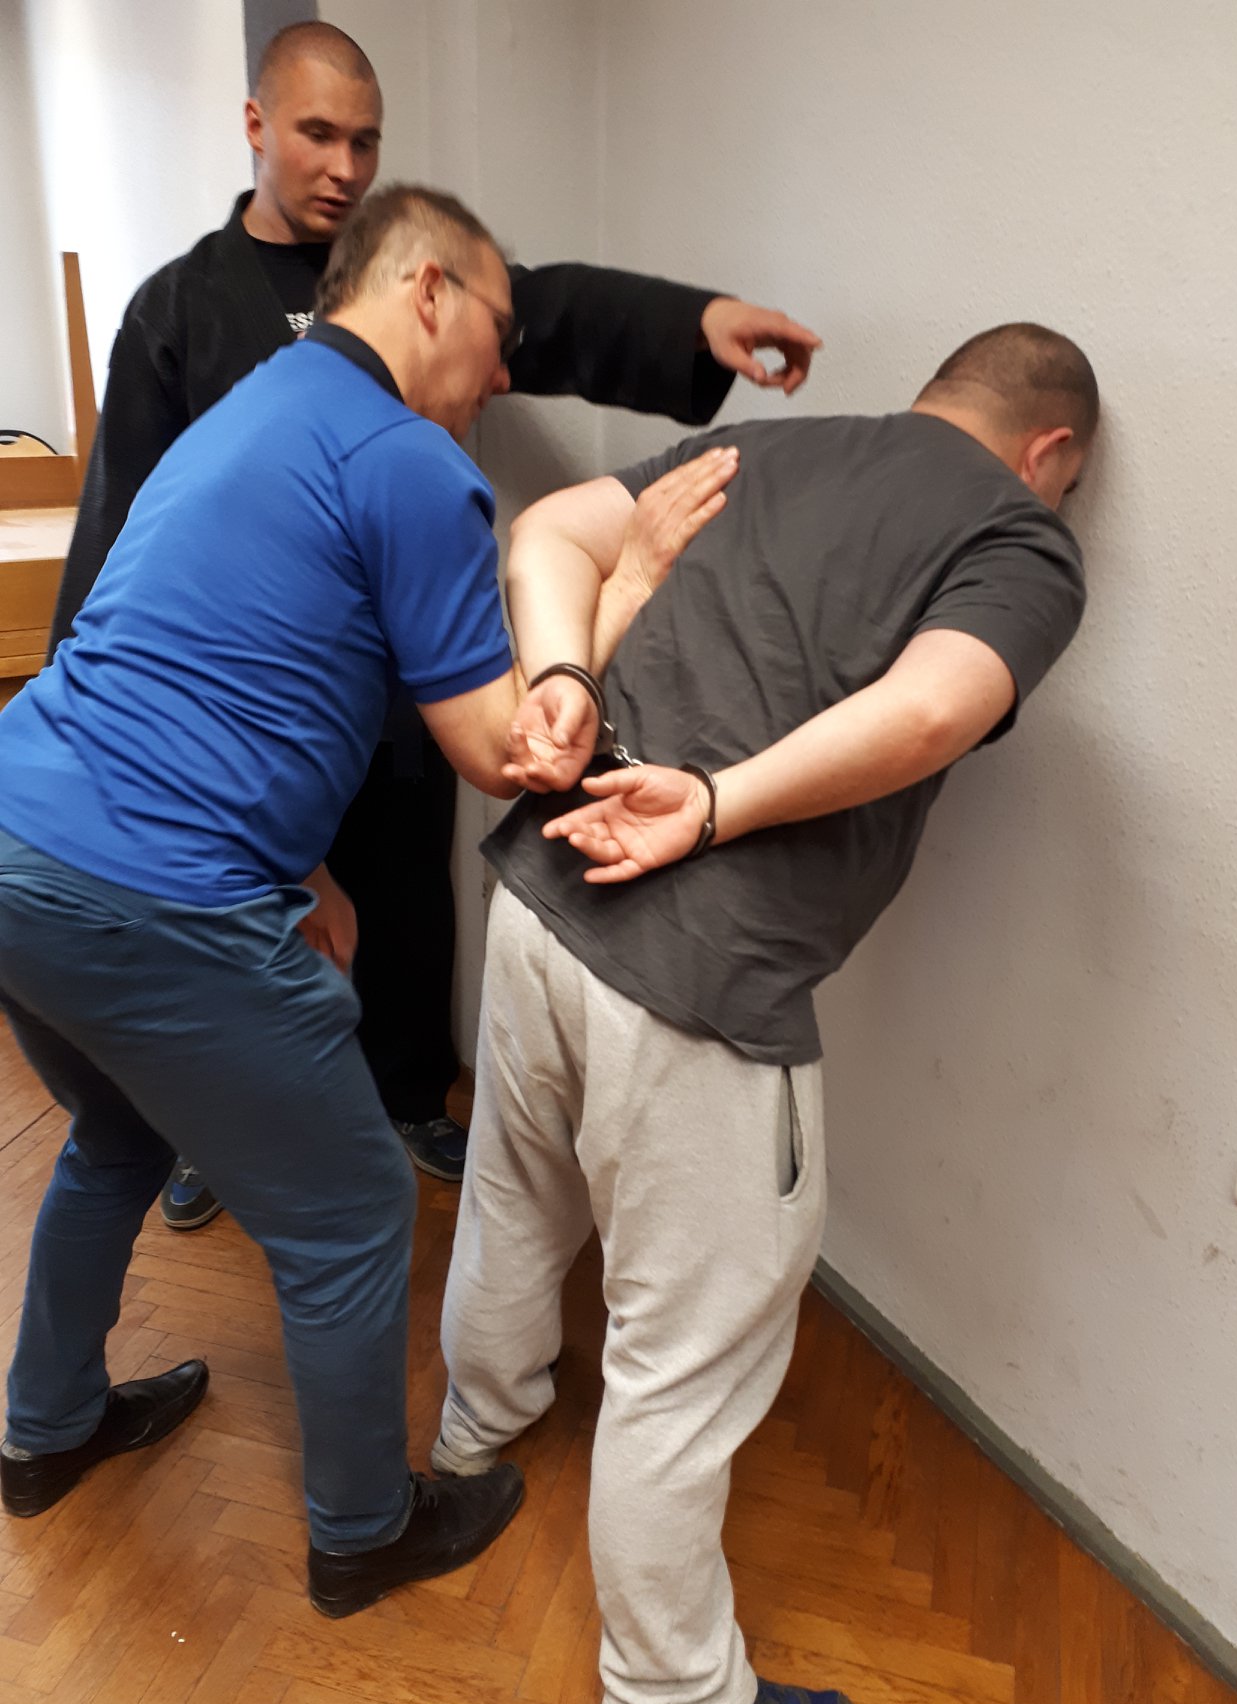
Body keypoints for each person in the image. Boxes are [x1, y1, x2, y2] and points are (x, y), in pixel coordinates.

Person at [0, 184, 732, 1616]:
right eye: (500, 331)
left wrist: (309, 868)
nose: (503, 372)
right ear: (429, 292)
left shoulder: (252, 411)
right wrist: (631, 572)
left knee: (120, 1131)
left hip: (19, 833)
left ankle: (46, 1427)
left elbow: (208, 664)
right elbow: (511, 752)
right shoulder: (409, 463)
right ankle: (361, 1530)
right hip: (153, 891)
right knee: (348, 1209)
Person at [45, 19, 823, 1226]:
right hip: (249, 715)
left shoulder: (417, 270)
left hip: (400, 676)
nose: (344, 166)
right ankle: (205, 1125)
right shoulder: (180, 306)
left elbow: (538, 305)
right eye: (317, 134)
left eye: (366, 141)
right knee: (243, 922)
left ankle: (409, 1090)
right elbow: (126, 521)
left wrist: (699, 319)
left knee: (404, 898)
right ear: (255, 127)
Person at [432, 322, 1098, 1704]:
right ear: (1050, 452)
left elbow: (546, 532)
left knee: (513, 1189)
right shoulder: (1020, 538)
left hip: (539, 895)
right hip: (699, 982)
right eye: (1069, 484)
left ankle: (475, 1433)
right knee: (685, 1358)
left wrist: (563, 681)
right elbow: (934, 710)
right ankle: (676, 1701)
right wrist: (715, 805)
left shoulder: (764, 447)